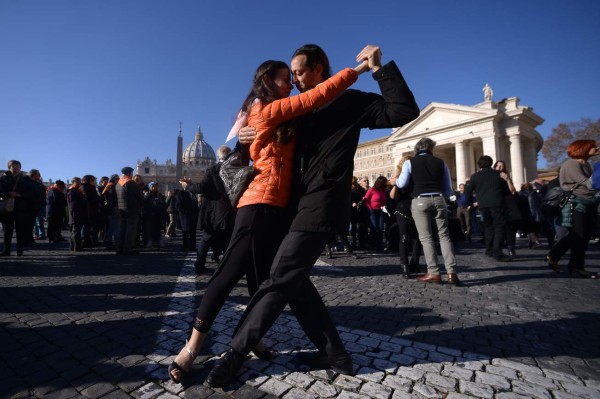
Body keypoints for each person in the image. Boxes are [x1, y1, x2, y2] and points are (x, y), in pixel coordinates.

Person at [204, 44, 419, 388]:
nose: (294, 80)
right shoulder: (294, 110)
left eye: (300, 73)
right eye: (290, 75)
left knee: (280, 277)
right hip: (288, 208)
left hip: (321, 204)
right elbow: (267, 145)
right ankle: (335, 353)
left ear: (320, 68)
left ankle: (234, 354)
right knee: (296, 284)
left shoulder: (349, 102)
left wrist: (380, 70)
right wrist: (246, 136)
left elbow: (403, 110)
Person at [168, 50, 368, 384]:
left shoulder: (281, 117)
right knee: (228, 273)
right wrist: (360, 68)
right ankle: (191, 348)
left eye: (292, 76)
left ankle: (257, 340)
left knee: (263, 277)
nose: (290, 81)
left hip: (281, 208)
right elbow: (318, 95)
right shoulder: (267, 108)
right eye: (283, 76)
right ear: (266, 82)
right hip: (259, 203)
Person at [395, 138, 459, 285]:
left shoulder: (409, 163)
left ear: (417, 149)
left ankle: (434, 272)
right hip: (439, 199)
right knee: (444, 236)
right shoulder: (441, 163)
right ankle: (452, 273)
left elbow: (402, 183)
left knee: (426, 237)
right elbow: (448, 188)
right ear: (431, 149)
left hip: (420, 200)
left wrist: (396, 182)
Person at [546, 139, 599, 278]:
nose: (596, 148)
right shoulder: (571, 164)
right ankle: (573, 265)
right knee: (579, 234)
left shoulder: (587, 164)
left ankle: (563, 259)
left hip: (588, 202)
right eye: (593, 147)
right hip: (575, 203)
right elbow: (589, 183)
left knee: (583, 235)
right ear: (584, 148)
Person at [179, 145, 235, 274]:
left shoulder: (212, 170)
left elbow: (200, 189)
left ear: (218, 156)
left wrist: (187, 185)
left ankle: (200, 264)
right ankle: (226, 266)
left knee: (206, 239)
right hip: (230, 211)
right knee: (227, 239)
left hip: (213, 212)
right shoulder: (234, 169)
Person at [467, 156, 512, 261]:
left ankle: (489, 249)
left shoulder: (475, 176)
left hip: (483, 205)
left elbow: (468, 191)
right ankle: (497, 252)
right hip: (497, 204)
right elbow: (507, 192)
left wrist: (473, 201)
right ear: (491, 163)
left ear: (479, 165)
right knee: (499, 227)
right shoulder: (498, 175)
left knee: (488, 227)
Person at [389, 156, 422, 278]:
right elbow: (392, 196)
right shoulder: (399, 177)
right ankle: (405, 265)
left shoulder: (415, 177)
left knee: (416, 237)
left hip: (413, 207)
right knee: (406, 237)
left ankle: (413, 263)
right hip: (405, 208)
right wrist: (395, 184)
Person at [0, 160, 33, 256]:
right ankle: (7, 250)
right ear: (9, 167)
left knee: (20, 230)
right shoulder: (3, 178)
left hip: (20, 207)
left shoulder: (25, 179)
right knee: (7, 230)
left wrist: (19, 194)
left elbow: (30, 193)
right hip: (7, 207)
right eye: (13, 166)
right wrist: (8, 193)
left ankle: (20, 250)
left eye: (17, 167)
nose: (15, 168)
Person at [115, 167, 143, 255]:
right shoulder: (130, 182)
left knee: (122, 229)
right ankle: (127, 249)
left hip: (122, 210)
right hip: (132, 210)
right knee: (131, 230)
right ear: (129, 173)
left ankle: (119, 248)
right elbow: (139, 195)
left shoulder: (118, 184)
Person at [363, 176, 388, 249]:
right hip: (372, 211)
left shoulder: (383, 191)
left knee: (380, 228)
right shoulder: (372, 190)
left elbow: (384, 200)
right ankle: (372, 244)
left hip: (381, 211)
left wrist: (384, 205)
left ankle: (379, 244)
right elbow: (366, 200)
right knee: (374, 228)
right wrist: (370, 209)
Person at [142, 182, 167, 248]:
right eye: (153, 187)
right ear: (150, 187)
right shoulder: (147, 195)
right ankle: (150, 241)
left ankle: (159, 240)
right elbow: (145, 204)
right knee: (150, 229)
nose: (154, 188)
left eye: (155, 187)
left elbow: (163, 204)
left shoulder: (160, 195)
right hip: (150, 214)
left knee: (157, 228)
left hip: (158, 214)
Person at [66, 177, 86, 252]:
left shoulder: (75, 191)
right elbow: (73, 205)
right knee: (75, 232)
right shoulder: (73, 192)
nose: (79, 183)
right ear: (73, 182)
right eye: (77, 182)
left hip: (75, 214)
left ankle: (73, 247)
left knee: (74, 232)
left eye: (79, 182)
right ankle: (77, 247)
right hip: (76, 214)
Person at [101, 174, 120, 250]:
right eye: (117, 179)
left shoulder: (108, 186)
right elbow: (114, 200)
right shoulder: (113, 187)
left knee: (111, 228)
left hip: (109, 210)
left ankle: (109, 243)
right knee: (116, 228)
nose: (119, 180)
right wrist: (116, 209)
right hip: (113, 210)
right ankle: (117, 244)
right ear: (114, 179)